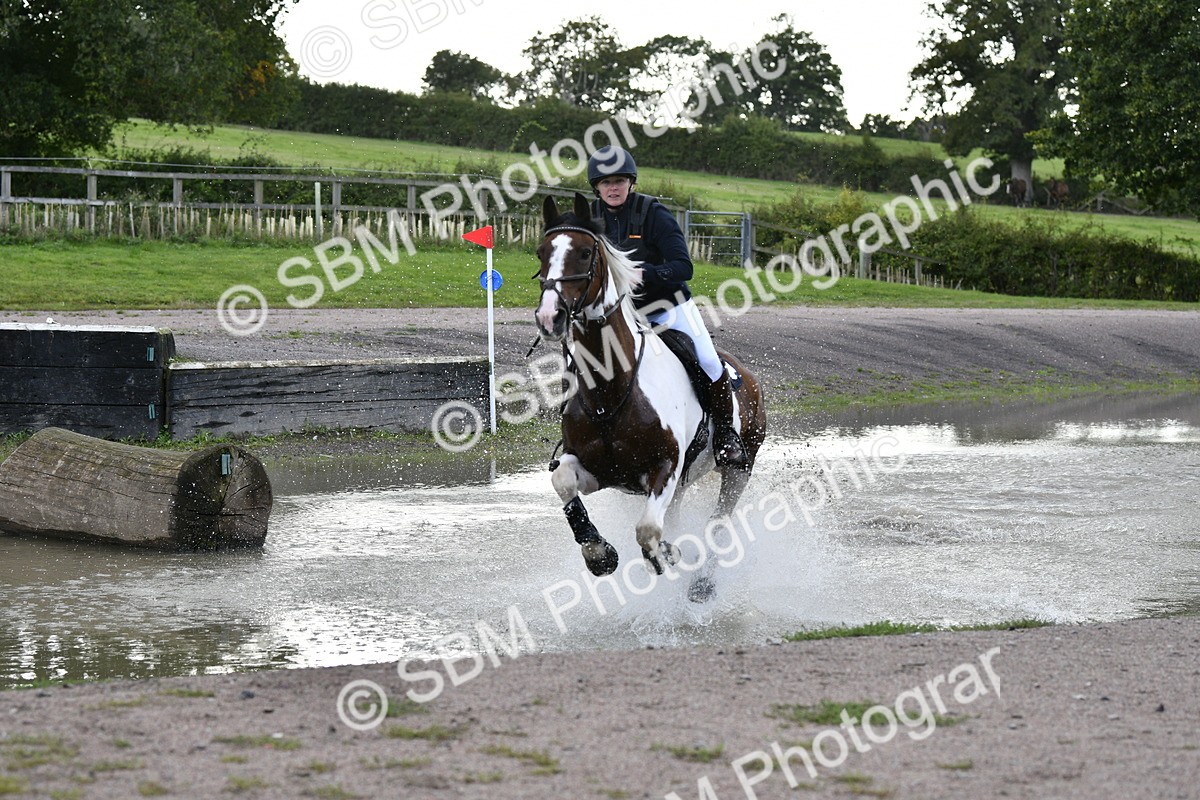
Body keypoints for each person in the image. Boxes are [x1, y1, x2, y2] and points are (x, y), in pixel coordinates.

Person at [587, 145, 747, 468]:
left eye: (619, 181)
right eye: (606, 183)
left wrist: (647, 274)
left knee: (709, 362)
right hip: (622, 315)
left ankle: (726, 436)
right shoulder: (590, 219)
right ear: (597, 188)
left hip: (668, 308)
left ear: (631, 183)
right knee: (588, 364)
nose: (613, 188)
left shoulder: (652, 213)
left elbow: (683, 267)